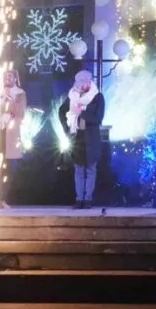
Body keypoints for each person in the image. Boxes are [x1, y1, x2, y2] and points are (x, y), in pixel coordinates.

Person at [58, 70, 104, 209]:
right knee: (78, 169)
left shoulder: (97, 97)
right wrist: (67, 128)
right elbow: (61, 111)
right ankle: (79, 199)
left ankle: (88, 199)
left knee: (90, 169)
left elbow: (98, 117)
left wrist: (83, 114)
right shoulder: (73, 95)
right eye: (79, 84)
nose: (81, 86)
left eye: (84, 83)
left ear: (89, 82)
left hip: (91, 138)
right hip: (76, 137)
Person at [0, 70, 27, 209]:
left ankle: (3, 198)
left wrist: (9, 100)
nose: (7, 79)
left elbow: (20, 112)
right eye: (5, 76)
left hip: (11, 134)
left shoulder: (20, 93)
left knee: (8, 169)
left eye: (10, 76)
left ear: (15, 78)